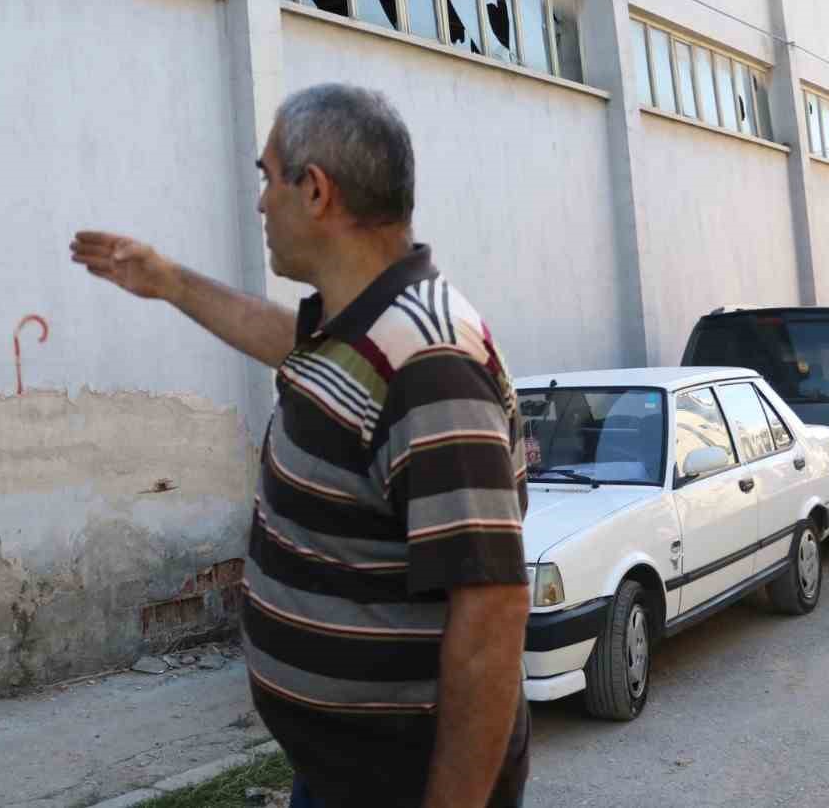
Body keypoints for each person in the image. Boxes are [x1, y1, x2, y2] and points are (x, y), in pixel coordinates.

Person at [69, 83, 530, 808]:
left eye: (266, 176)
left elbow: (493, 613)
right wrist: (166, 281)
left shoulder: (431, 363)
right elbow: (286, 344)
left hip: (404, 787)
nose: (259, 201)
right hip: (338, 776)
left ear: (315, 191)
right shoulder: (356, 331)